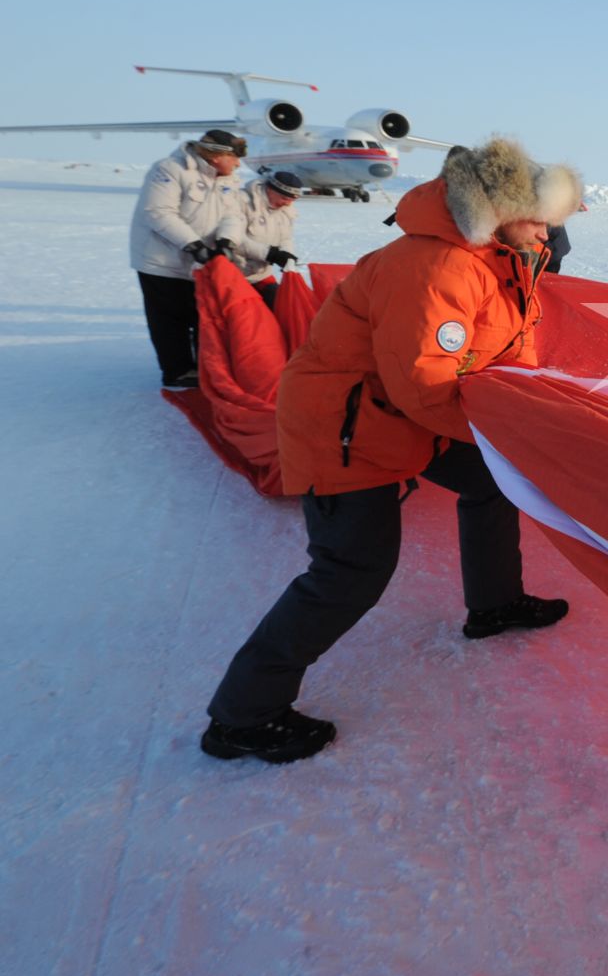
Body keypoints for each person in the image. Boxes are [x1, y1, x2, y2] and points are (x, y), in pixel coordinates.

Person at [201, 137, 584, 764]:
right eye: (540, 218)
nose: (549, 231)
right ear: (500, 211)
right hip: (347, 427)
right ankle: (242, 717)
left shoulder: (499, 261)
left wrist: (525, 420)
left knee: (493, 480)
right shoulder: (439, 267)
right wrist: (506, 434)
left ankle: (492, 603)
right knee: (351, 571)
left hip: (405, 416)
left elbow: (509, 356)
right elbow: (424, 382)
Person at [130, 128, 246, 388]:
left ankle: (206, 367)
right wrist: (193, 245)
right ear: (217, 156)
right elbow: (158, 212)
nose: (238, 164)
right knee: (169, 318)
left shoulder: (229, 178)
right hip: (161, 261)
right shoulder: (170, 170)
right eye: (234, 158)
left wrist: (227, 241)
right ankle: (178, 370)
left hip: (200, 263)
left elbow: (233, 215)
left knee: (202, 314)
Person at [215, 169, 302, 310]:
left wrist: (287, 255)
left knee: (283, 307)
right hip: (235, 276)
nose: (288, 203)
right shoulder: (241, 200)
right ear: (270, 190)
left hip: (260, 275)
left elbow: (285, 237)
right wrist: (269, 254)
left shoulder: (286, 210)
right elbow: (234, 239)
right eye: (285, 198)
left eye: (292, 200)